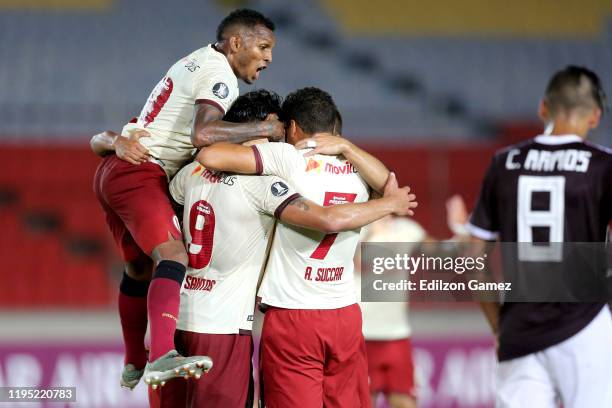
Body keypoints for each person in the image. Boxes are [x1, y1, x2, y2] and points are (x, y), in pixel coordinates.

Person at [150, 89, 417, 407]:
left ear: (291, 128)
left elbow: (206, 159)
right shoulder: (357, 174)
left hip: (278, 315)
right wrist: (385, 197)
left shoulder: (281, 161)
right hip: (341, 313)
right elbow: (383, 187)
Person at [90, 9, 284, 389]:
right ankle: (161, 355)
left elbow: (105, 138)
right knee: (174, 256)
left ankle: (133, 362)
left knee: (139, 270)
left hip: (113, 172)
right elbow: (203, 133)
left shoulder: (194, 60)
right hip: (141, 173)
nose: (268, 58)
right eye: (263, 47)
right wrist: (268, 128)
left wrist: (114, 141)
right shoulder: (220, 75)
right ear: (236, 43)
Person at [467, 66, 612, 407]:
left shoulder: (505, 164)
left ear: (543, 108)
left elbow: (473, 262)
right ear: (596, 115)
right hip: (586, 327)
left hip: (520, 330)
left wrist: (499, 324)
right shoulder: (603, 166)